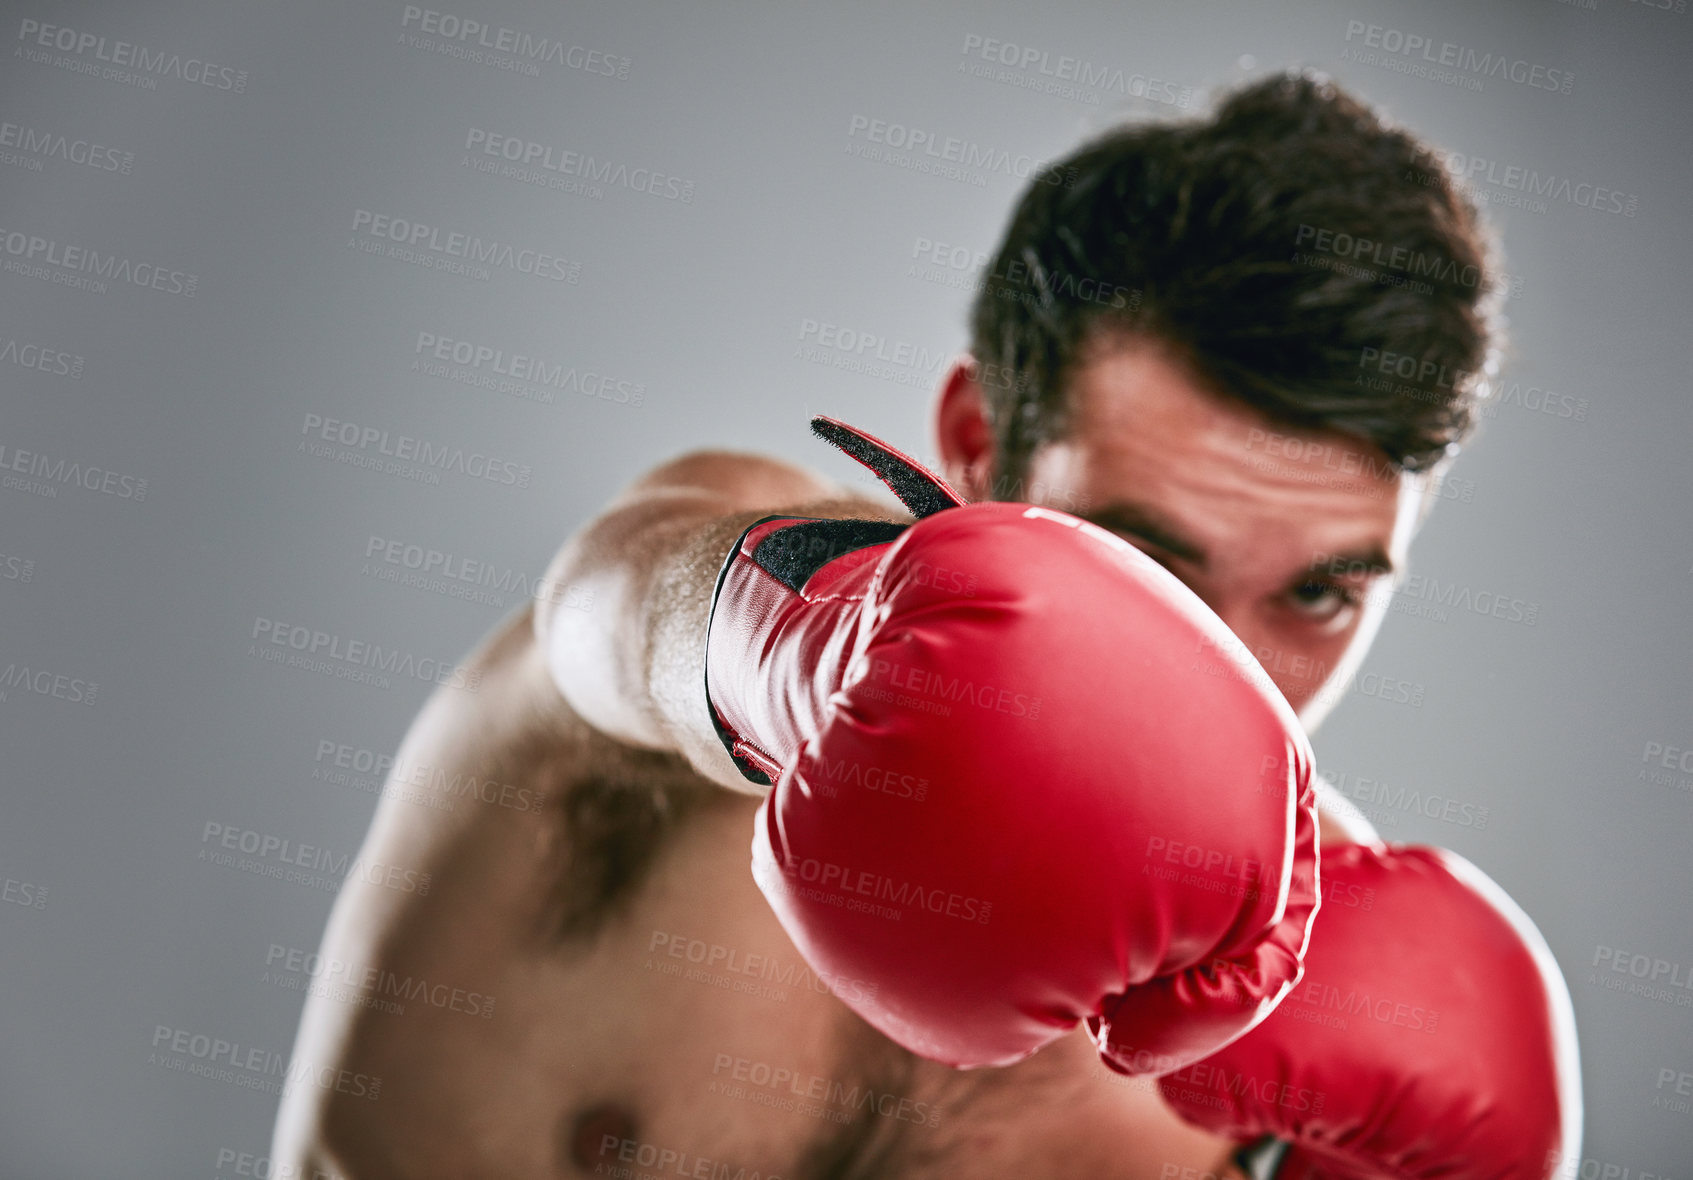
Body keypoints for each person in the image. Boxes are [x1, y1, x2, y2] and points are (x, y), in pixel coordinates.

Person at [271, 71, 1577, 1179]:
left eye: (1318, 593)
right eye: (1141, 558)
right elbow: (606, 612)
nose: (1233, 666)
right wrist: (798, 645)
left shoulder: (1316, 1016)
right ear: (974, 444)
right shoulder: (709, 651)